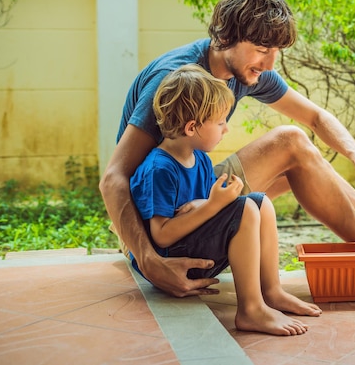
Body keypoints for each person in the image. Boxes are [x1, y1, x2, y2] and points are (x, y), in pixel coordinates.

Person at [100, 0, 355, 298]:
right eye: (262, 50)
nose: (269, 65)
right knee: (292, 142)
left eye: (276, 52)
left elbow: (316, 116)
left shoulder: (246, 69)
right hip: (157, 226)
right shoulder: (177, 81)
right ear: (227, 37)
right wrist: (150, 261)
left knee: (303, 158)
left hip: (192, 196)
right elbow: (113, 179)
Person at [129, 64, 321, 335]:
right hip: (176, 266)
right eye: (220, 123)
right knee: (244, 209)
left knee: (259, 203)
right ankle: (251, 310)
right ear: (192, 127)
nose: (226, 130)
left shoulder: (201, 160)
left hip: (193, 247)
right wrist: (212, 205)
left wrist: (209, 203)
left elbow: (206, 207)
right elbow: (161, 236)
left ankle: (272, 291)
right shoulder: (160, 169)